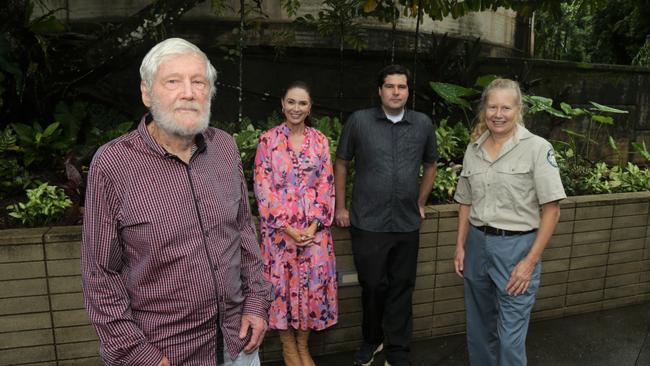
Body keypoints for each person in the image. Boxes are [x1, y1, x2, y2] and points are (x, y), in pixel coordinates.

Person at [81, 38, 272, 366]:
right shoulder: (113, 164)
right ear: (146, 92)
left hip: (238, 344)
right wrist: (138, 354)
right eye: (173, 81)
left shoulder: (224, 148)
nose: (188, 92)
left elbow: (243, 231)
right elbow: (100, 273)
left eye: (199, 82)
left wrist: (256, 303)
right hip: (164, 354)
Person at [453, 78, 566, 366]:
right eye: (492, 106)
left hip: (516, 249)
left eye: (506, 107)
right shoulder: (473, 149)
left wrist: (529, 262)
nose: (498, 114)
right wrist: (460, 246)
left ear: (518, 110)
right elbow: (465, 201)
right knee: (478, 330)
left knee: (509, 338)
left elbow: (552, 210)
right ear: (484, 110)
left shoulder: (538, 149)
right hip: (476, 245)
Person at [335, 65, 438, 366]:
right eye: (390, 86)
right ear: (379, 90)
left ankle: (398, 348)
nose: (396, 92)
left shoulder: (422, 124)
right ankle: (372, 339)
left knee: (402, 287)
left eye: (402, 87)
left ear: (408, 91)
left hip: (406, 223)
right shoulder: (359, 121)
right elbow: (341, 162)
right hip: (368, 222)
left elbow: (431, 165)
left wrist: (421, 201)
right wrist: (341, 206)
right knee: (373, 285)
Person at [253, 81, 338, 366]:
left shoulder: (320, 141)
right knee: (282, 291)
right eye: (291, 102)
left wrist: (313, 226)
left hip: (314, 234)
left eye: (302, 103)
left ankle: (303, 346)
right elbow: (263, 188)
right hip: (280, 236)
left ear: (310, 107)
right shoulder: (267, 141)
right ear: (282, 104)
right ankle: (289, 347)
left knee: (311, 289)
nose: (296, 108)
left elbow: (327, 186)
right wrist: (288, 228)